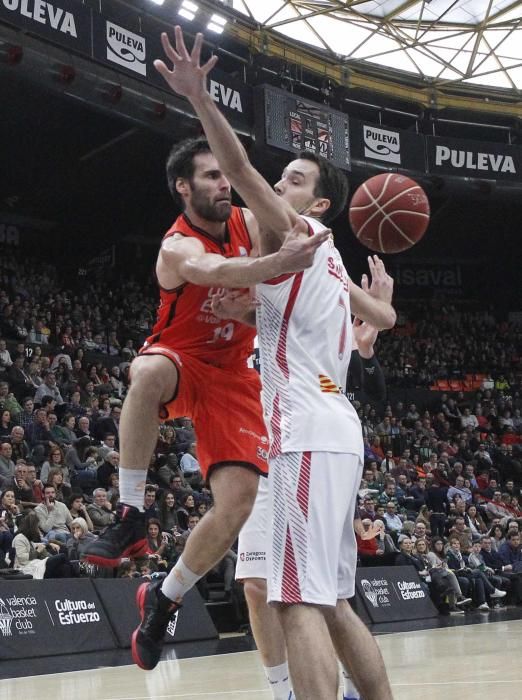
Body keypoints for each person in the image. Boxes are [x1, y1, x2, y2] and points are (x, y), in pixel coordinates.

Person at [146, 27, 396, 698]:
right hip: (339, 430)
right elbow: (342, 326)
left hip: (306, 432)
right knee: (334, 601)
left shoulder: (298, 232)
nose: (272, 183)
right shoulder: (328, 264)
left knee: (296, 602)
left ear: (315, 205)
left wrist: (199, 99)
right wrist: (249, 313)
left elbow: (240, 166)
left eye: (293, 179)